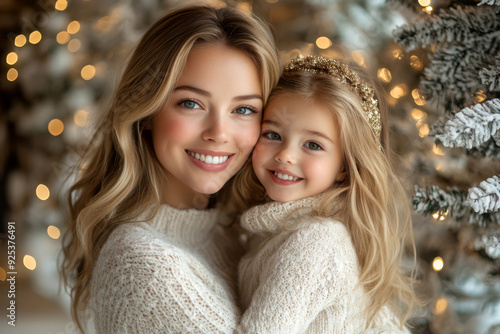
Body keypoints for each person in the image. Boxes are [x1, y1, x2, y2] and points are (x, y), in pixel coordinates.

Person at [60, 4, 280, 333]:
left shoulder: (240, 232)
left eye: (244, 109)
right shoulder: (144, 264)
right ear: (146, 110)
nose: (219, 133)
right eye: (191, 103)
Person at [234, 55, 421, 333]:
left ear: (344, 167)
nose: (285, 155)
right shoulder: (279, 227)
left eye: (312, 144)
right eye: (272, 134)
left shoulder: (315, 241)